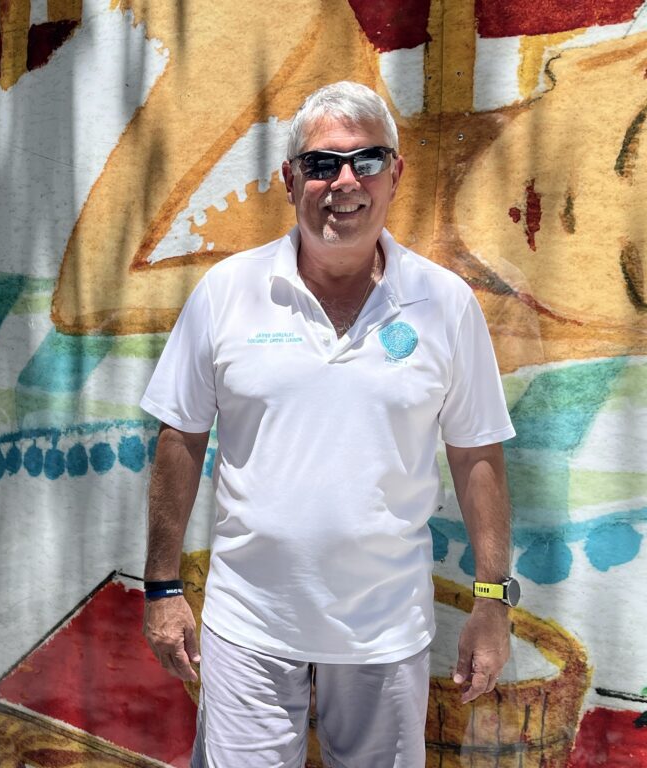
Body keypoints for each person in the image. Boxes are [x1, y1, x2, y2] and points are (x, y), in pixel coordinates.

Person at [139, 81, 518, 767]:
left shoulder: (445, 305)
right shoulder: (228, 293)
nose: (344, 181)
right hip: (250, 625)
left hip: (384, 632)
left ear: (395, 175)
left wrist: (492, 599)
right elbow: (181, 438)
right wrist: (162, 586)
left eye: (367, 160)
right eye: (321, 164)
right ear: (290, 181)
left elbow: (476, 455)